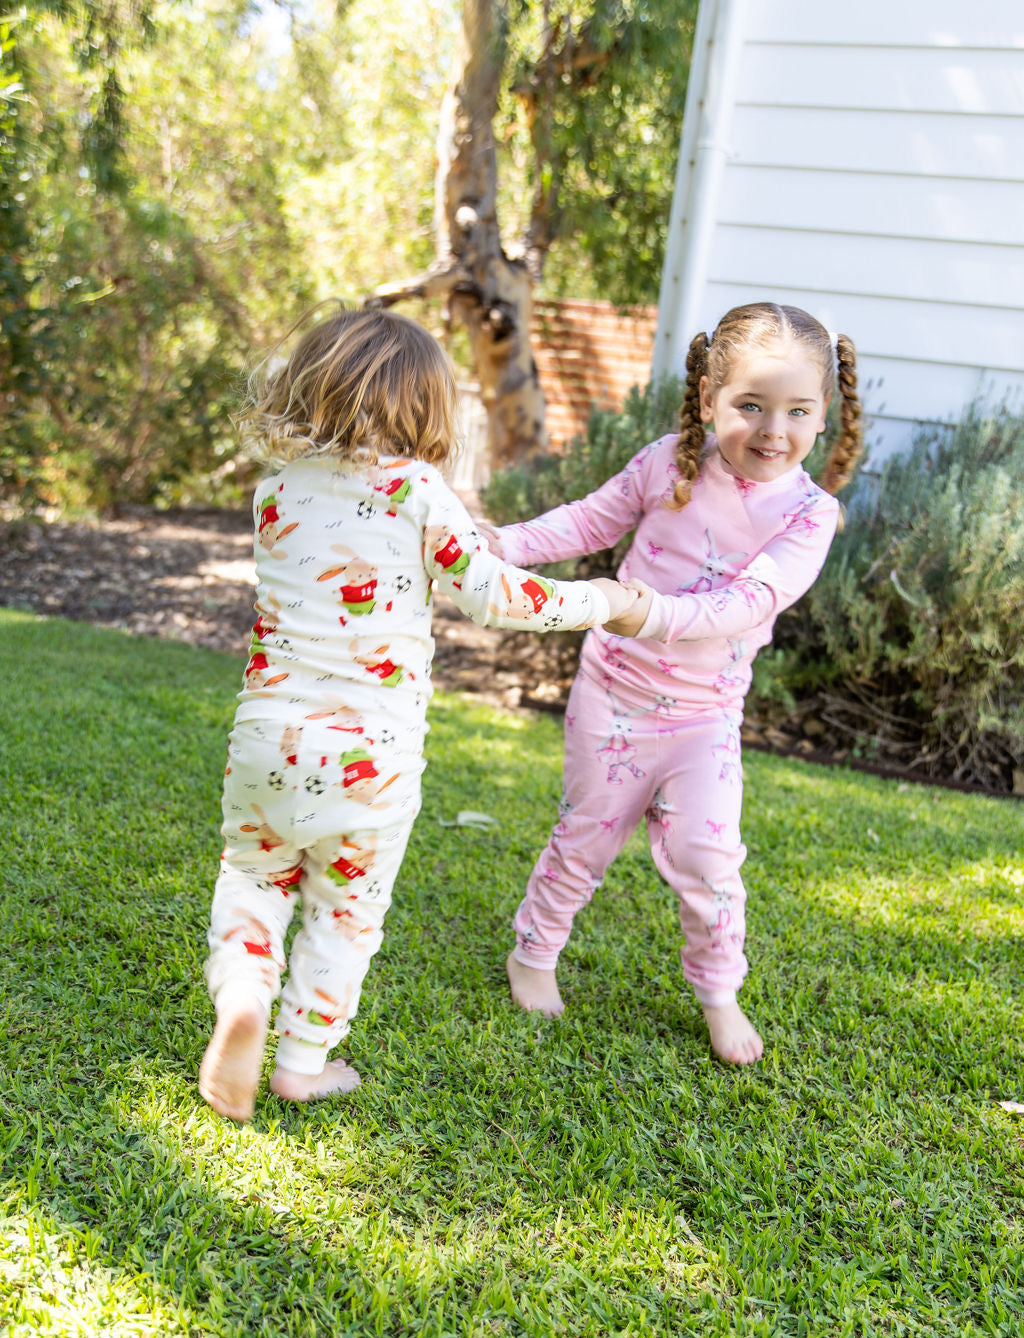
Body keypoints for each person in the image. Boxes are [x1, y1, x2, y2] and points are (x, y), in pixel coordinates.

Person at [199, 304, 646, 1121]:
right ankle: (302, 1062)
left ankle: (242, 993)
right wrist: (601, 599)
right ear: (427, 412)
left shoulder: (275, 491)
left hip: (266, 742)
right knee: (346, 913)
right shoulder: (416, 490)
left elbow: (343, 552)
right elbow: (491, 595)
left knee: (255, 878)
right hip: (373, 761)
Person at [483, 302, 863, 1064]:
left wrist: (644, 609)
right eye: (749, 405)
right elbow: (588, 523)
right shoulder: (669, 465)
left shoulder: (810, 516)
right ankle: (534, 953)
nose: (771, 430)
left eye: (796, 410)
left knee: (709, 859)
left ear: (824, 416)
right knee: (586, 834)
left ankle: (720, 994)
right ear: (707, 400)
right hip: (614, 699)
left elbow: (746, 603)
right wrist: (500, 544)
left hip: (704, 718)